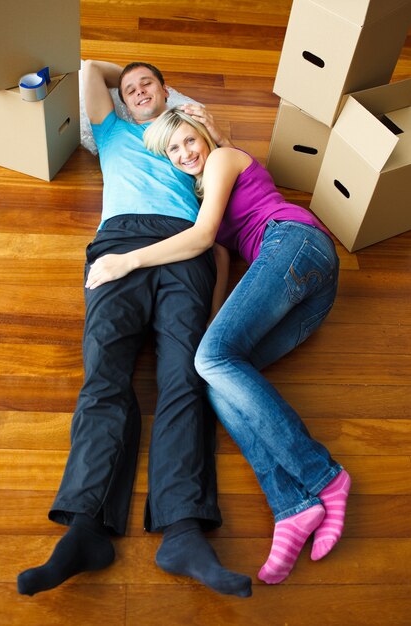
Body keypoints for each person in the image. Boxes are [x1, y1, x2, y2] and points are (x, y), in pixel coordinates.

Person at [84, 106, 352, 585]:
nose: (185, 153)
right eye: (174, 149)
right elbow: (220, 261)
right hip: (312, 294)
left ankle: (323, 476)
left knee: (210, 359)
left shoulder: (225, 158)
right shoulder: (205, 192)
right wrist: (211, 333)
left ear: (205, 135)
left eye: (190, 140)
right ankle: (292, 507)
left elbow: (202, 236)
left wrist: (126, 262)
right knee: (211, 377)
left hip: (294, 242)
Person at [17, 62, 252, 598]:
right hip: (117, 245)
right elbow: (87, 72)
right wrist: (119, 72)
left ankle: (184, 531)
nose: (138, 91)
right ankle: (84, 528)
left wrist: (201, 121)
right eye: (129, 88)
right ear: (121, 100)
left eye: (147, 83)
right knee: (104, 378)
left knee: (184, 380)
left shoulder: (190, 146)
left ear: (167, 91)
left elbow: (214, 232)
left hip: (181, 248)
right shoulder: (114, 129)